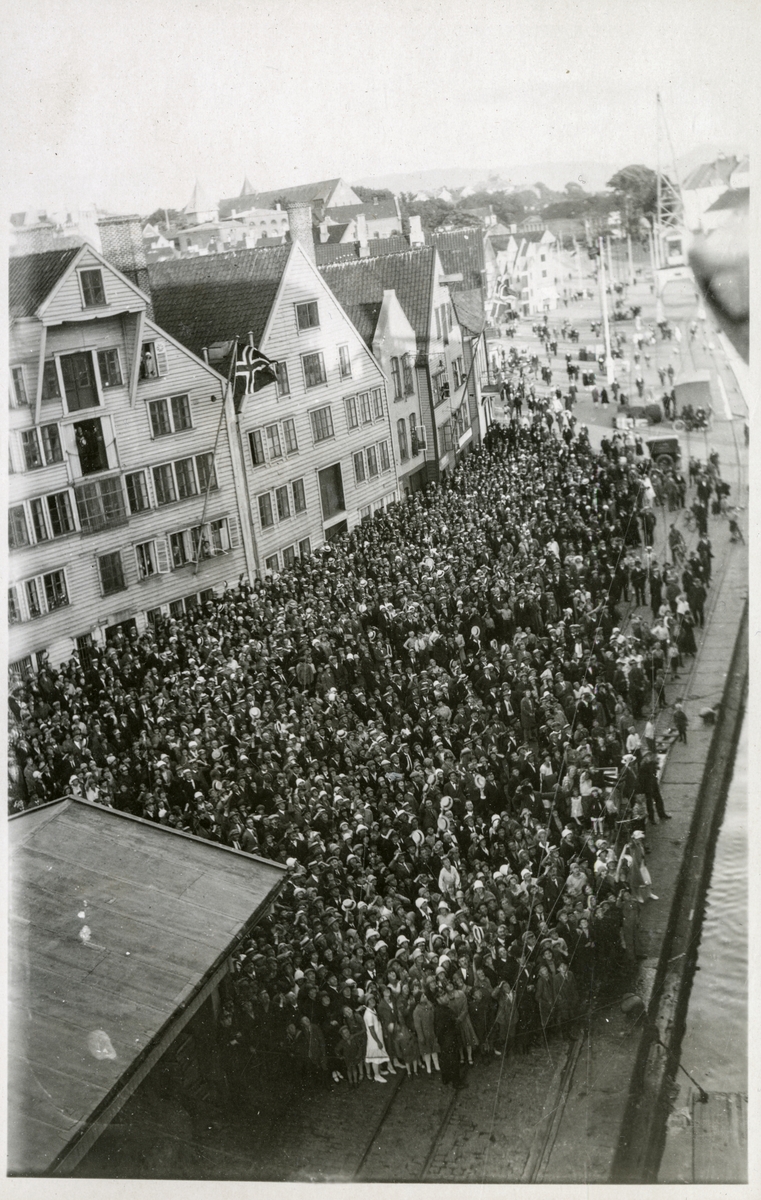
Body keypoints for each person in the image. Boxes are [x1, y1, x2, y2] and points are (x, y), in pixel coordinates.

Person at [433, 992, 466, 1090]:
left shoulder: (439, 1010)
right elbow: (442, 1028)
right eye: (443, 996)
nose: (446, 997)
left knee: (445, 1059)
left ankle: (445, 1078)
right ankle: (457, 1083)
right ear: (438, 1000)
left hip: (444, 1040)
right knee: (454, 1061)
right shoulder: (444, 1011)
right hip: (449, 1039)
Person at [363, 997, 394, 1083]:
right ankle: (376, 1075)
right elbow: (371, 1030)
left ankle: (379, 1072)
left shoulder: (373, 1011)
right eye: (370, 1000)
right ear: (367, 1002)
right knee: (375, 1058)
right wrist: (378, 1041)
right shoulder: (368, 1014)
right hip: (374, 1040)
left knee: (379, 1056)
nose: (373, 1001)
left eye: (373, 999)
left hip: (378, 1037)